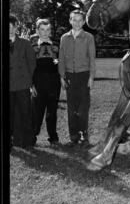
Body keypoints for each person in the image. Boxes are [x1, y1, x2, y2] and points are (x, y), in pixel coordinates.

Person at [58, 10, 95, 147]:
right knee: (71, 108)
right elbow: (61, 59)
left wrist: (91, 77)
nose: (77, 23)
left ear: (84, 22)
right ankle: (73, 136)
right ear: (70, 21)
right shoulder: (64, 38)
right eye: (74, 20)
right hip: (69, 76)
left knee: (83, 107)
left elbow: (92, 59)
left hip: (84, 75)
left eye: (80, 20)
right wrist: (62, 76)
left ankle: (84, 135)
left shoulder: (88, 37)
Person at [31, 18, 61, 146]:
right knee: (37, 111)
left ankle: (53, 138)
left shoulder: (57, 46)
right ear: (37, 31)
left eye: (48, 29)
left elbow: (59, 63)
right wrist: (31, 85)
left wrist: (61, 76)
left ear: (50, 31)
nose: (45, 32)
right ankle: (32, 136)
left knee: (52, 112)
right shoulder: (32, 47)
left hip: (54, 81)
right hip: (38, 81)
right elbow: (30, 67)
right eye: (42, 30)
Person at [9, 15, 36, 149]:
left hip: (22, 84)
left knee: (25, 112)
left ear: (16, 27)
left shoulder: (25, 43)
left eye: (12, 27)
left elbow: (32, 63)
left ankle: (27, 140)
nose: (9, 30)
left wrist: (28, 80)